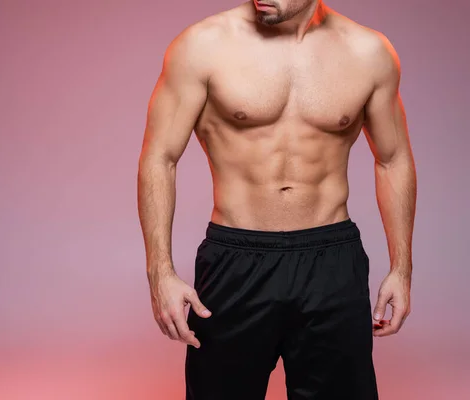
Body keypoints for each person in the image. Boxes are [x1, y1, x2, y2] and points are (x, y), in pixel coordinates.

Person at [137, 0, 416, 398]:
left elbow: (393, 160)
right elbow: (158, 158)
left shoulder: (368, 52)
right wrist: (159, 272)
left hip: (331, 262)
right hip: (236, 261)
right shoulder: (202, 46)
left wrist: (401, 269)